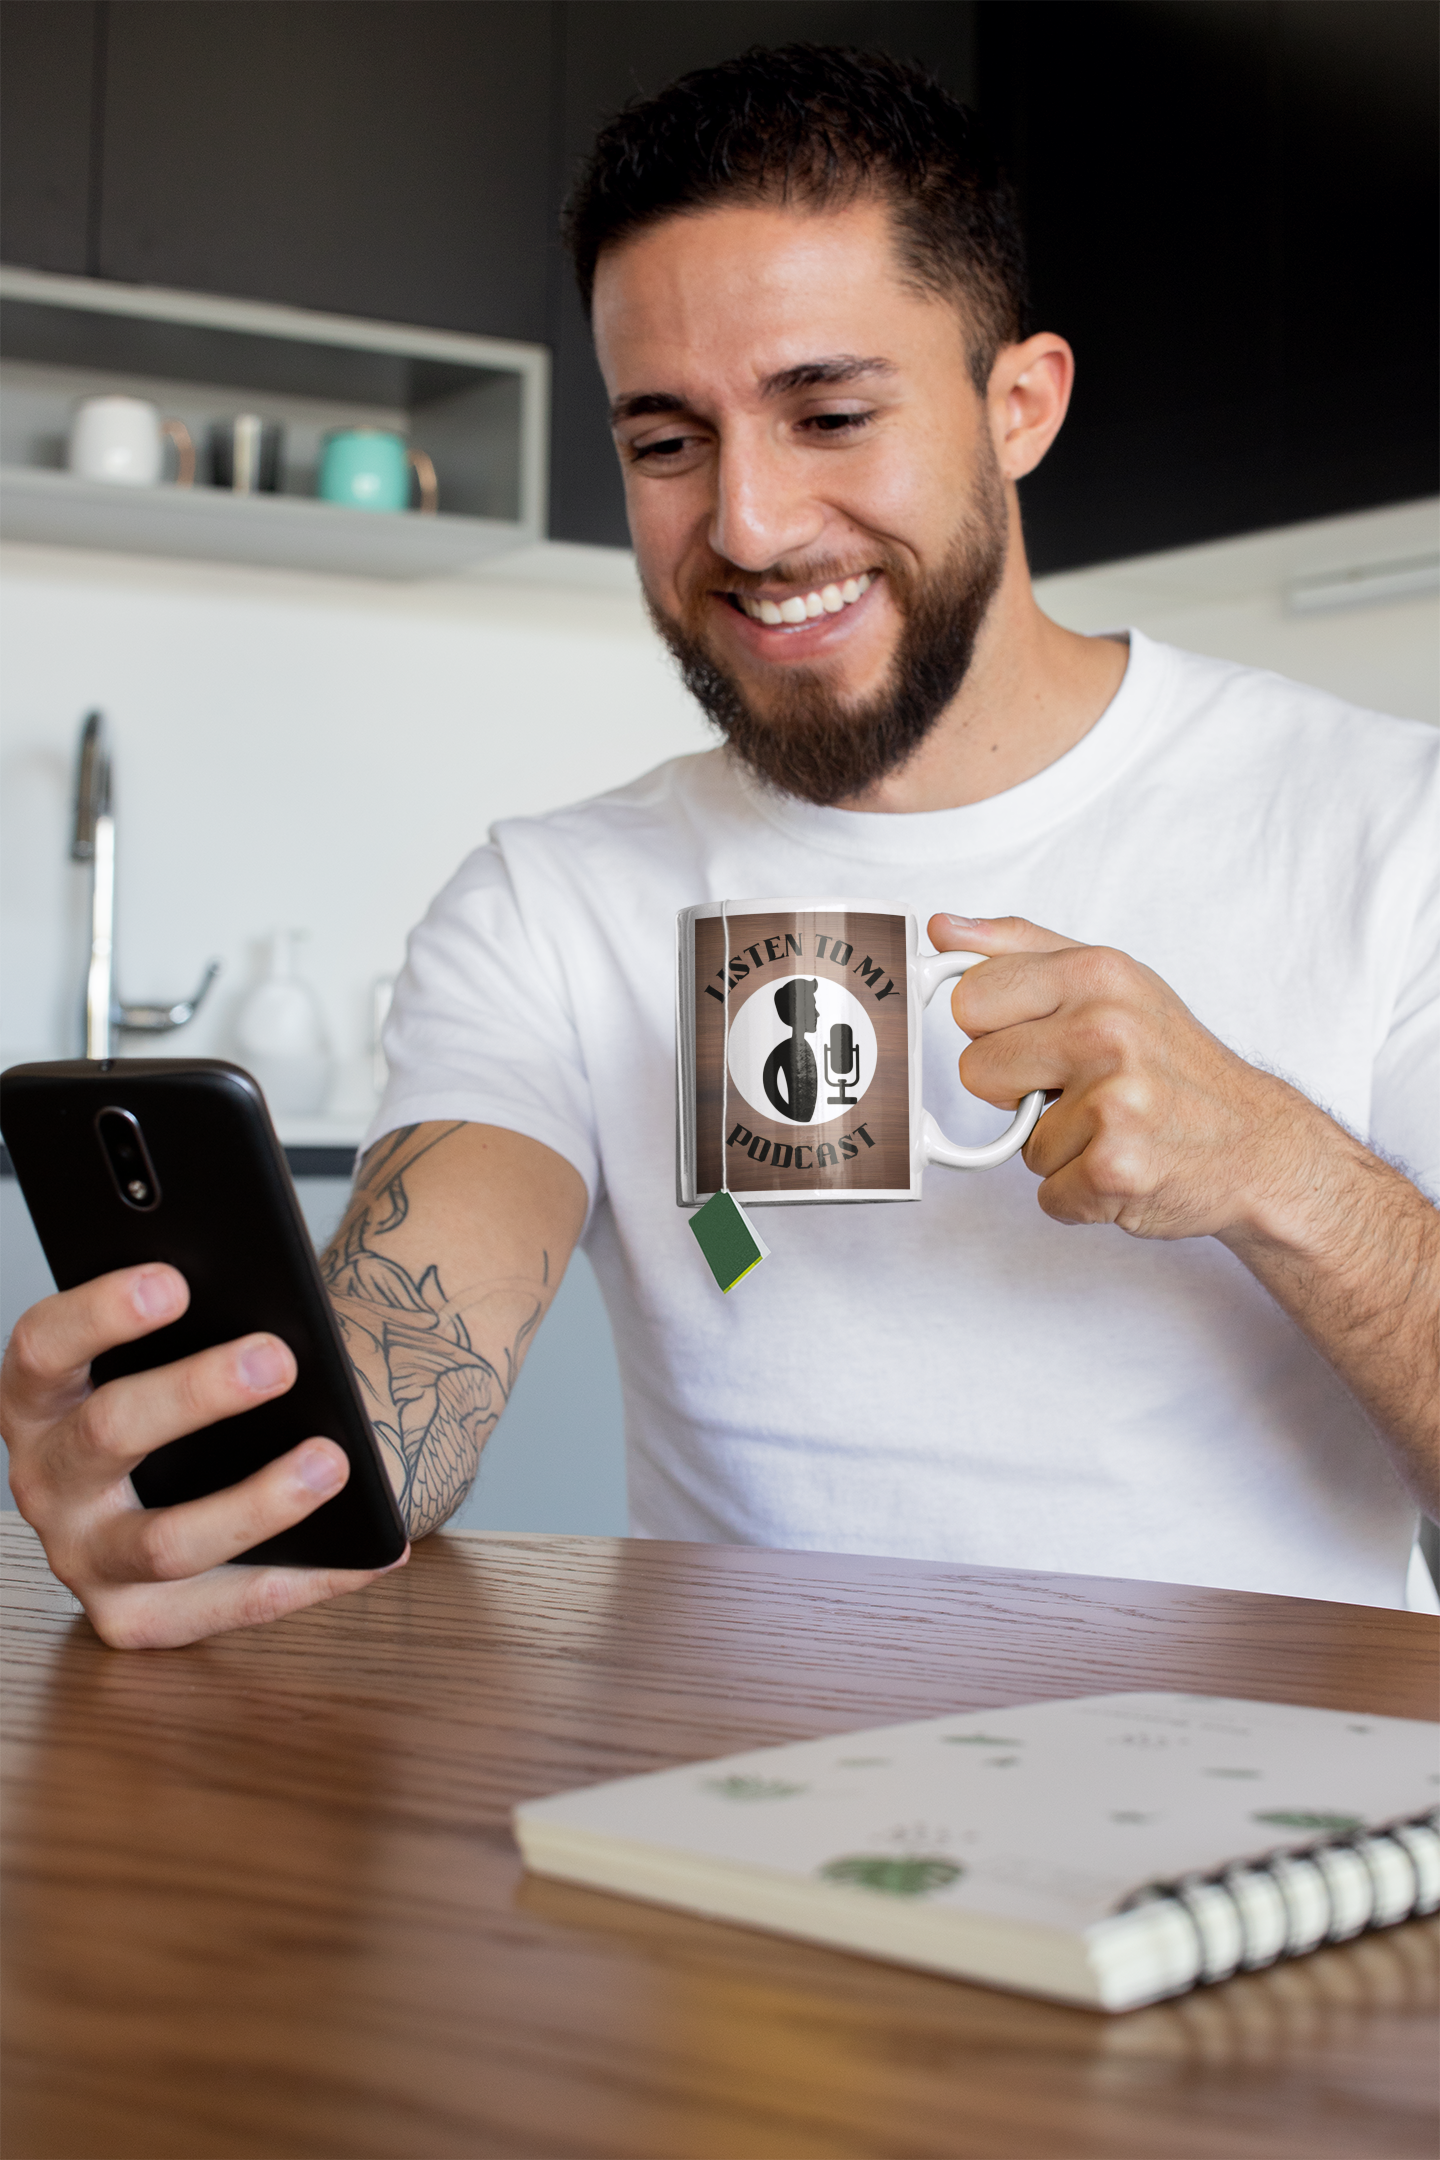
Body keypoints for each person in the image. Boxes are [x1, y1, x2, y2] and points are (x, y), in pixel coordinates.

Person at [3, 47, 1436, 1649]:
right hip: (728, 1817)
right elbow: (426, 1329)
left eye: (829, 412)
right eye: (668, 443)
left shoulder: (1388, 827)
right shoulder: (553, 904)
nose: (747, 527)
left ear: (1018, 405)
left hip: (1269, 1852)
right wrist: (242, 1487)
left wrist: (1288, 1172)